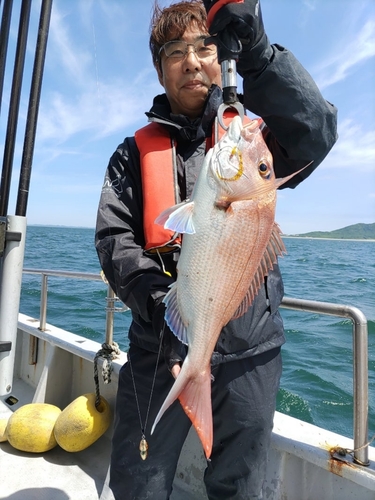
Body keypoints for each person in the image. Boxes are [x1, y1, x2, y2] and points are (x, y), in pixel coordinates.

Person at [95, 1, 337, 498]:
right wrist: (162, 305)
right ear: (160, 69)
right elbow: (113, 239)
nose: (192, 60)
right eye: (175, 51)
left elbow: (314, 132)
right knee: (140, 480)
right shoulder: (131, 154)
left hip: (251, 351)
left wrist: (262, 57)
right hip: (158, 342)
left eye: (205, 46)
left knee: (240, 484)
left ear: (219, 54)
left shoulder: (249, 139)